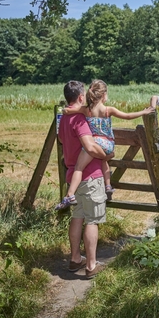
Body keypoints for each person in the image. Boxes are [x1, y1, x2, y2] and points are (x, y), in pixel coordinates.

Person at [56, 79, 154, 209]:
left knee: (78, 167)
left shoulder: (86, 110)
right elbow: (128, 116)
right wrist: (143, 112)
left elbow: (69, 111)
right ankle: (108, 186)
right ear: (104, 95)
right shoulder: (108, 110)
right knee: (104, 161)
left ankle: (70, 195)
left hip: (95, 143)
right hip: (108, 144)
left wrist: (65, 111)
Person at [58, 80, 108, 278]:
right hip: (89, 176)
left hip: (73, 176)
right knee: (92, 220)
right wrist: (105, 155)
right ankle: (91, 265)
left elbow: (62, 140)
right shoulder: (78, 119)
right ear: (80, 97)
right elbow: (89, 146)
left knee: (77, 216)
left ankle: (75, 258)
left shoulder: (63, 117)